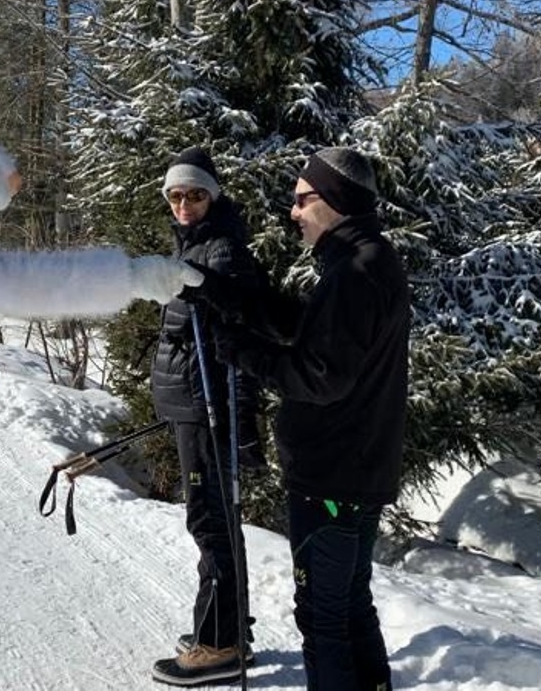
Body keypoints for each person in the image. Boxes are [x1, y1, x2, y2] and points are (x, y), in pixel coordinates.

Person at [186, 146, 409, 691]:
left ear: (334, 201)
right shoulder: (364, 261)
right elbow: (308, 327)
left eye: (302, 199)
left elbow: (318, 376)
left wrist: (241, 352)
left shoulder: (355, 272)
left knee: (323, 618)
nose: (293, 212)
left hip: (331, 475)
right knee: (350, 603)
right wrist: (217, 292)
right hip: (355, 471)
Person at [149, 146, 265, 687]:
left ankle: (218, 644)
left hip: (209, 410)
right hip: (193, 407)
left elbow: (242, 338)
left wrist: (242, 426)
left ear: (212, 197)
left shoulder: (221, 254)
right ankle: (226, 628)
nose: (183, 204)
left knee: (211, 523)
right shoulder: (195, 247)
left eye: (194, 194)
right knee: (213, 521)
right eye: (175, 195)